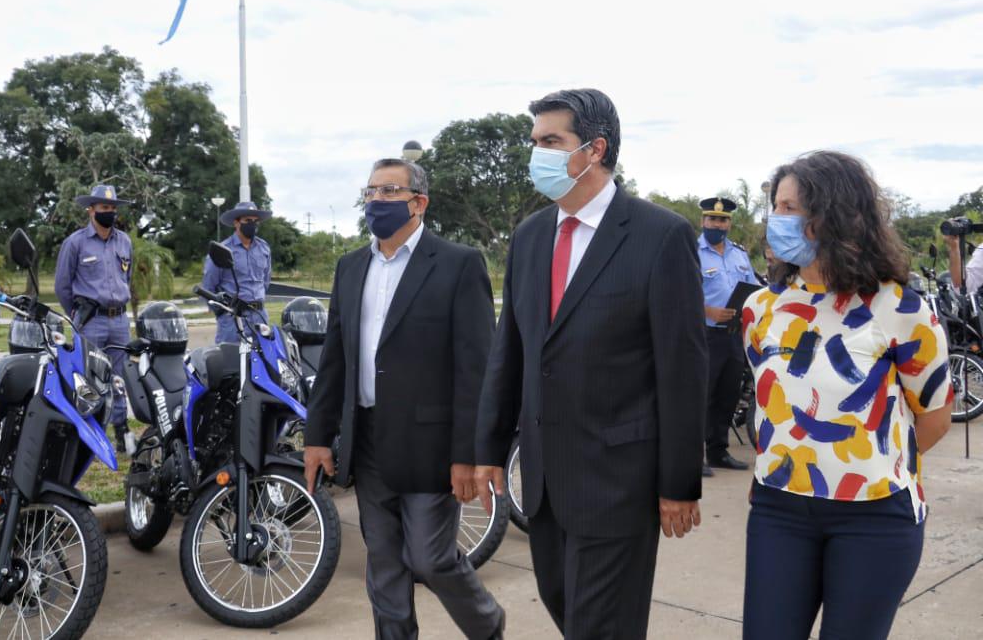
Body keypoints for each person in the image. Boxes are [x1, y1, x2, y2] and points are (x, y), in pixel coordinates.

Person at [474, 88, 707, 640]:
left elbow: (682, 369)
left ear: (595, 149)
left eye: (552, 141)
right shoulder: (530, 237)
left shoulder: (659, 235)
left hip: (619, 480)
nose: (538, 154)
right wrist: (485, 449)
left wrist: (680, 482)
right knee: (567, 610)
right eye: (535, 142)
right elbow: (512, 351)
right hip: (545, 481)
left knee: (601, 627)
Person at [742, 151, 953, 640]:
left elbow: (936, 417)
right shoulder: (761, 310)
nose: (778, 219)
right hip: (779, 508)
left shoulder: (900, 308)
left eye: (791, 208)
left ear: (831, 215)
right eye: (776, 206)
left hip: (874, 516)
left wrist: (868, 465)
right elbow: (772, 405)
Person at [304, 158, 505, 640]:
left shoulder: (458, 263)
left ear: (419, 202)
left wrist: (468, 454)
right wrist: (317, 437)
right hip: (368, 440)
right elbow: (335, 357)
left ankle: (487, 623)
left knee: (430, 557)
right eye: (371, 192)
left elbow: (475, 368)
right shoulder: (351, 266)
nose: (376, 200)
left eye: (389, 191)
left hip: (430, 445)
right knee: (386, 565)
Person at [55, 184, 135, 452]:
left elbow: (127, 277)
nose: (109, 212)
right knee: (89, 379)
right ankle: (90, 432)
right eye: (104, 208)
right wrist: (77, 315)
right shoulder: (75, 243)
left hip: (119, 320)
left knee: (119, 377)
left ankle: (122, 429)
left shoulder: (124, 241)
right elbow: (62, 286)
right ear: (91, 210)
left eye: (112, 208)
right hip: (91, 320)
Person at [697, 195, 760, 477]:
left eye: (723, 220)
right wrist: (707, 310)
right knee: (700, 396)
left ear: (729, 224)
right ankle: (691, 456)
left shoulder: (739, 254)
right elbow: (676, 292)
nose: (717, 224)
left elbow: (754, 288)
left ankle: (718, 451)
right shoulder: (690, 251)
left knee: (727, 394)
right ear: (703, 221)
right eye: (712, 219)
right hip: (705, 334)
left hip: (735, 335)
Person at [201, 200, 272, 343]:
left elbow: (265, 281)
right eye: (247, 220)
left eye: (255, 221)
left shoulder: (264, 248)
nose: (252, 224)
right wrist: (222, 313)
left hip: (260, 315)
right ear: (236, 223)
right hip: (233, 318)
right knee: (232, 361)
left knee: (262, 361)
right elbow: (208, 287)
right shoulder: (222, 250)